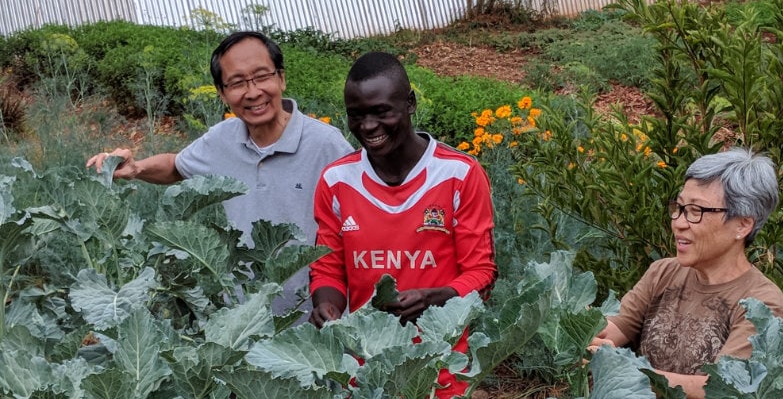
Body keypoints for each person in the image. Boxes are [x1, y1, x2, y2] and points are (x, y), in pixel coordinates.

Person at [85, 31, 353, 319]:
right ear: (222, 94)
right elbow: (177, 166)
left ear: (281, 79)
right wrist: (136, 168)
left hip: (318, 319)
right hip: (243, 324)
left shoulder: (327, 144)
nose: (252, 92)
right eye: (237, 83)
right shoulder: (222, 139)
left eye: (262, 76)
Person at [308, 51, 497, 398]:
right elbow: (328, 269)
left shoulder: (459, 174)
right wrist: (326, 303)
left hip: (440, 370)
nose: (367, 127)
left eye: (381, 112)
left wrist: (434, 298)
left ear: (409, 103)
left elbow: (482, 274)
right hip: (364, 372)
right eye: (356, 115)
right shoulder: (336, 181)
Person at [589, 147, 783, 399]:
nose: (679, 222)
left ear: (742, 224)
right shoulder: (663, 272)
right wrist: (586, 331)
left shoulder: (762, 305)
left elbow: (721, 389)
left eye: (697, 211)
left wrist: (627, 372)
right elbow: (615, 329)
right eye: (680, 207)